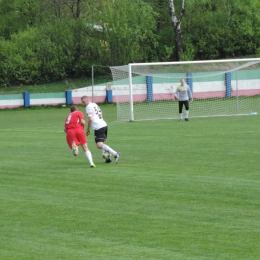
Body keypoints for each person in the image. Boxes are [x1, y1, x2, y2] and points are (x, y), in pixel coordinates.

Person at [81, 95, 120, 164]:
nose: (83, 104)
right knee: (101, 144)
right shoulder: (94, 104)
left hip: (98, 127)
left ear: (87, 100)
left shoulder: (88, 107)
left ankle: (116, 154)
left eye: (83, 102)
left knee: (99, 145)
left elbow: (90, 119)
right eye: (82, 102)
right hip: (103, 125)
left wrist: (88, 129)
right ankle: (108, 158)